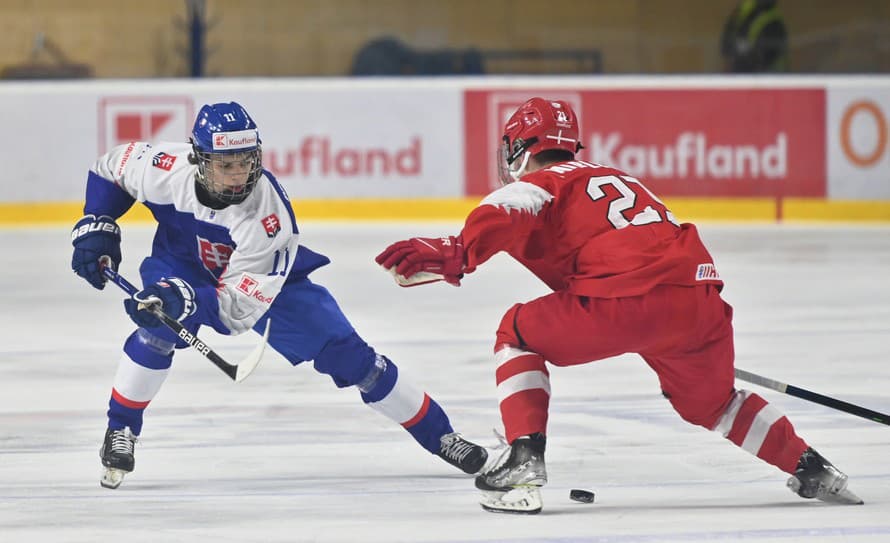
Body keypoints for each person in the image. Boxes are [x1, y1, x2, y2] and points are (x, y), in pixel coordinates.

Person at [375, 97, 862, 514]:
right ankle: (812, 467)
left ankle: (524, 462)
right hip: (698, 302)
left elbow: (510, 204)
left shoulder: (546, 181)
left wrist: (460, 250)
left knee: (515, 332)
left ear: (519, 148)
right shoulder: (615, 175)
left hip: (627, 302)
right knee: (713, 403)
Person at [70, 101, 492, 489]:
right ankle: (121, 427)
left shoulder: (268, 217)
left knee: (355, 361)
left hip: (267, 286)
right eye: (226, 164)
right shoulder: (163, 166)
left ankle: (441, 435)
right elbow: (110, 169)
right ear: (198, 159)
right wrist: (97, 223)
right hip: (180, 264)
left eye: (246, 163)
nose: (239, 176)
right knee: (157, 332)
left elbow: (236, 310)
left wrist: (189, 298)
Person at [720, 0, 789, 73]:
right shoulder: (743, 12)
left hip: (765, 78)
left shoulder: (771, 20)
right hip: (751, 77)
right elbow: (726, 48)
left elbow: (766, 58)